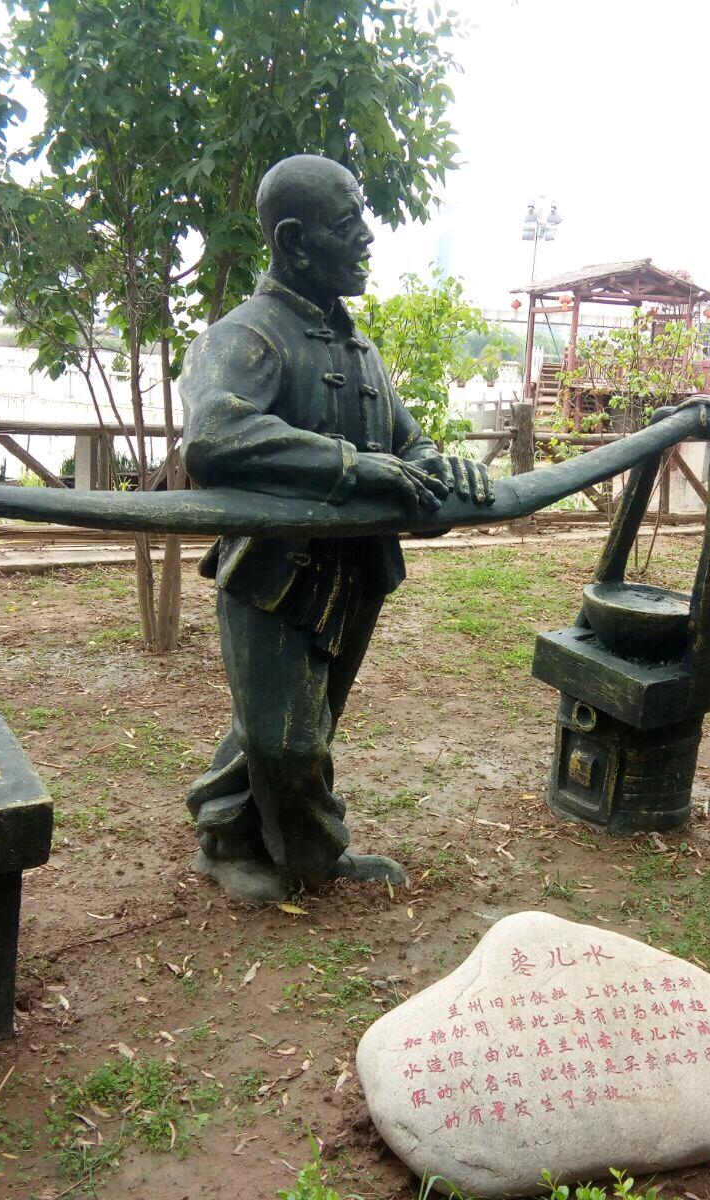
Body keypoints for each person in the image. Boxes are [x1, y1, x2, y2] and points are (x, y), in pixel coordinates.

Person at [178, 154, 494, 904]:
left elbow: (406, 443)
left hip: (355, 573)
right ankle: (298, 852)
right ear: (294, 241)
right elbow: (214, 435)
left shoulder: (360, 350)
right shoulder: (246, 336)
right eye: (350, 220)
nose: (368, 236)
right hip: (273, 574)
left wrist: (443, 471)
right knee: (283, 737)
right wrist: (354, 467)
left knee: (302, 721)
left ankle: (230, 824)